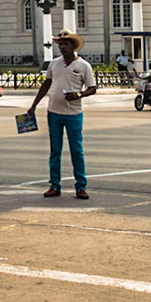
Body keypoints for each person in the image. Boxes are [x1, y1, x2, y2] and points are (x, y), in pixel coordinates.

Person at [24, 31, 97, 199]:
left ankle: (81, 186)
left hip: (73, 114)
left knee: (76, 150)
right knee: (55, 150)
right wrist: (34, 105)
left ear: (73, 46)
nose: (62, 47)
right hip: (54, 113)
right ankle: (54, 185)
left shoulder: (83, 66)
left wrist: (78, 95)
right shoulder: (55, 64)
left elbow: (92, 88)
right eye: (60, 44)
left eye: (66, 44)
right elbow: (47, 83)